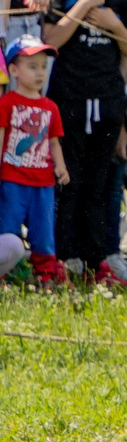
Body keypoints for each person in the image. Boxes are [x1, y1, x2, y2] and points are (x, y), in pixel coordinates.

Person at [43, 0, 127, 281]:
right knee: (70, 179)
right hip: (69, 96)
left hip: (107, 96)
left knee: (100, 181)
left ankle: (96, 257)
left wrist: (113, 24)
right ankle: (66, 256)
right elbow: (52, 40)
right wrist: (81, 6)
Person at [0, 38, 67, 283]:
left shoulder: (50, 107)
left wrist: (60, 166)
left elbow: (53, 141)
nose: (40, 72)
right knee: (7, 226)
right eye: (32, 66)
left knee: (43, 230)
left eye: (43, 66)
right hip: (13, 178)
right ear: (14, 70)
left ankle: (46, 275)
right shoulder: (6, 103)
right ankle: (7, 272)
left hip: (43, 181)